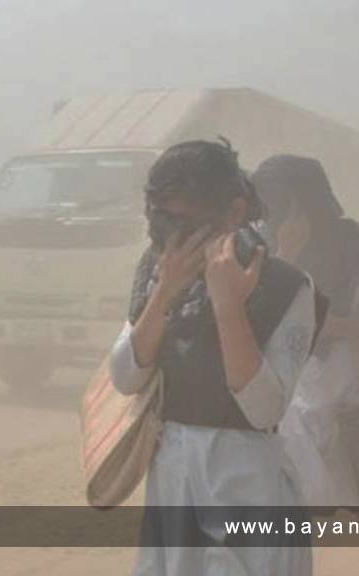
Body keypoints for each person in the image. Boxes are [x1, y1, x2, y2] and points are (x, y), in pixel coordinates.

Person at [109, 140, 319, 575]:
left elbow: (263, 409)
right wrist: (165, 292)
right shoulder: (158, 271)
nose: (171, 236)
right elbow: (126, 375)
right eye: (161, 219)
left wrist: (229, 308)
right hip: (174, 479)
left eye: (185, 221)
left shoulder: (287, 287)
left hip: (245, 484)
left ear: (234, 211)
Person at [252, 154, 359, 576]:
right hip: (303, 408)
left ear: (306, 200)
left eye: (281, 201)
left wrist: (342, 326)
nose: (272, 213)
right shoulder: (265, 252)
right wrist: (283, 257)